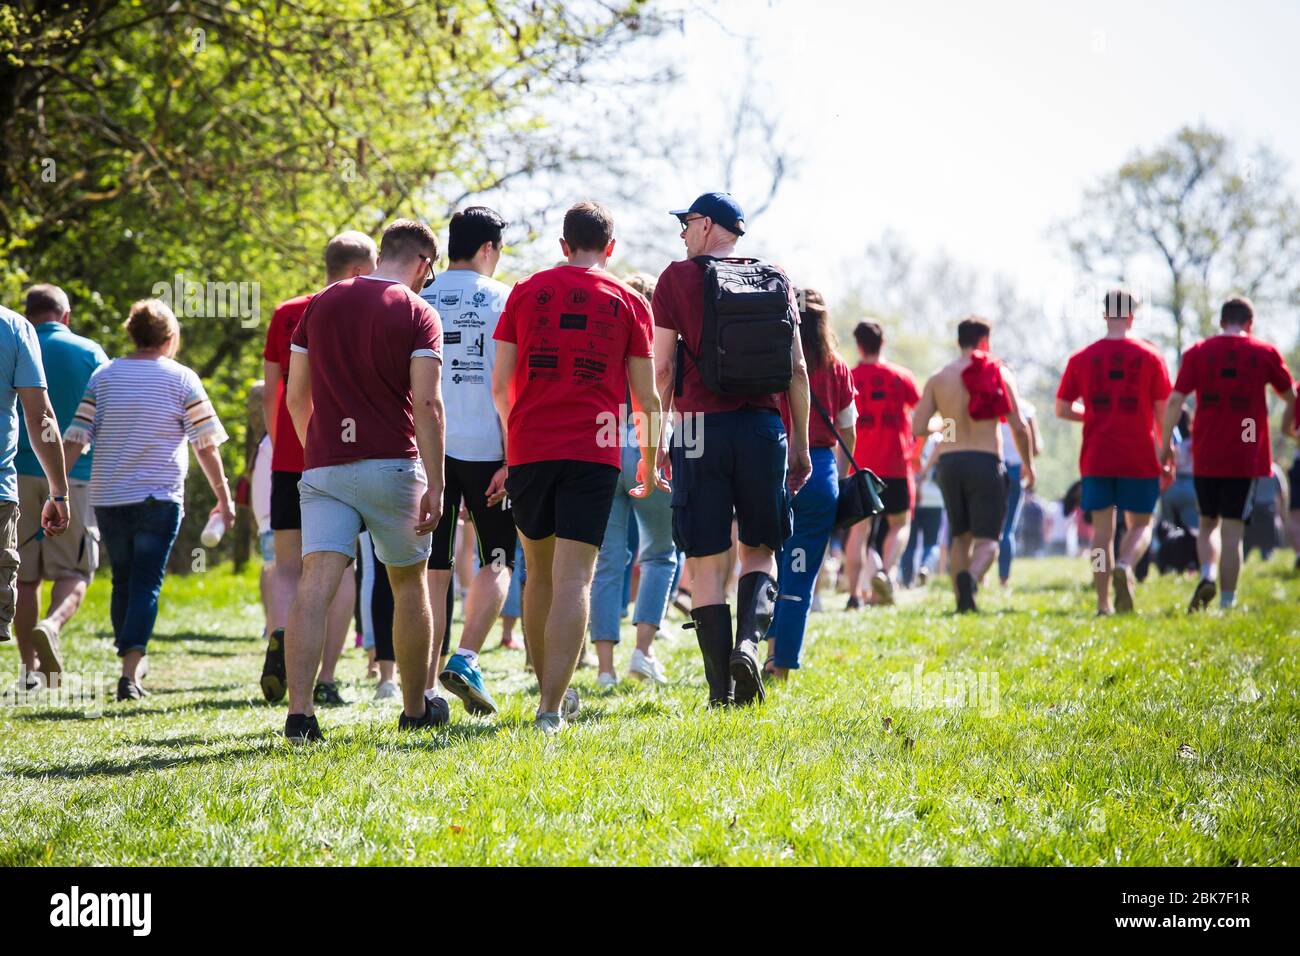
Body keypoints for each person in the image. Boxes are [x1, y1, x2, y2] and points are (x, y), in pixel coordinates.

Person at [492, 201, 663, 733]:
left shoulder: (523, 292)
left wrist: (515, 431)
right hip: (594, 454)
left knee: (536, 575)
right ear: (610, 249)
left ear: (562, 245)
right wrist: (650, 462)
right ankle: (549, 708)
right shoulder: (630, 303)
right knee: (575, 579)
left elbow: (499, 384)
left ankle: (551, 697)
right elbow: (648, 399)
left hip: (529, 449)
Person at [281, 218, 446, 742]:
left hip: (325, 463)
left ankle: (301, 715)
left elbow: (293, 397)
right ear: (422, 262)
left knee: (315, 584)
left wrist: (320, 449)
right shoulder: (419, 311)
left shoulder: (321, 302)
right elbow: (428, 403)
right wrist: (437, 483)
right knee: (407, 583)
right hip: (392, 463)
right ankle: (416, 709)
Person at [652, 191, 811, 707]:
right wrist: (801, 446)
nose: (682, 231)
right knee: (760, 550)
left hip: (699, 430)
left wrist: (658, 439)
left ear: (710, 226)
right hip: (764, 429)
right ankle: (749, 643)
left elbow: (662, 369)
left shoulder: (676, 278)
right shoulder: (777, 278)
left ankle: (720, 690)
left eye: (687, 222)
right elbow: (799, 371)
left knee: (703, 559)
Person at [63, 299, 233, 700]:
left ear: (131, 334)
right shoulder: (182, 379)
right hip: (159, 499)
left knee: (123, 580)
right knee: (145, 584)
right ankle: (130, 673)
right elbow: (205, 446)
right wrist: (223, 498)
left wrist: (58, 489)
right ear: (170, 338)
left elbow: (76, 436)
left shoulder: (104, 377)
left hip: (109, 498)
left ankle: (128, 662)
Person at [259, 231, 376, 706]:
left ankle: (283, 633)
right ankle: (325, 676)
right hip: (338, 456)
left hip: (289, 457)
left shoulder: (287, 312)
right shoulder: (361, 309)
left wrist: (282, 442)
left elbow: (273, 391)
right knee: (340, 568)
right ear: (356, 272)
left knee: (288, 567)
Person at [418, 207, 519, 716]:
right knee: (498, 558)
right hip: (487, 449)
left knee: (432, 567)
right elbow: (507, 386)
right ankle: (466, 655)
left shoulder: (418, 297)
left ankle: (426, 689)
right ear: (488, 249)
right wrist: (511, 454)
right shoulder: (505, 299)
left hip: (427, 449)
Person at [1163, 296, 1296, 612]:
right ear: (1249, 324)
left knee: (1207, 524)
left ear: (1222, 322)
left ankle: (1207, 573)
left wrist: (1164, 443)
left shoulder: (1197, 353)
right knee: (1232, 530)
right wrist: (1288, 427)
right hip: (1245, 455)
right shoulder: (1264, 353)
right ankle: (1227, 601)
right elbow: (1291, 395)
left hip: (1206, 452)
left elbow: (1174, 401)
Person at [1055, 290, 1172, 615]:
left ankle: (1103, 603)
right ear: (1133, 315)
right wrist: (1167, 452)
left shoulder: (1082, 358)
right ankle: (1125, 563)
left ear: (1104, 315)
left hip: (1097, 455)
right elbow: (1163, 413)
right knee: (1141, 525)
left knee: (1100, 534)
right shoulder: (1151, 357)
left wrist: (1091, 413)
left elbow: (1062, 408)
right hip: (1139, 454)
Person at [12, 285, 107, 684]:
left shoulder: (14, 342)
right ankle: (51, 625)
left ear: (28, 313)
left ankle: (30, 670)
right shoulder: (90, 353)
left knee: (25, 575)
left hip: (14, 473)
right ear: (65, 316)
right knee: (75, 568)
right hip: (73, 479)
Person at [587, 272, 676, 688]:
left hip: (604, 444)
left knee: (607, 560)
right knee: (659, 554)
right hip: (647, 446)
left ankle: (605, 669)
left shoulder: (606, 338)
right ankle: (643, 652)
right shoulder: (660, 345)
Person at [912, 317, 1034, 613]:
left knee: (959, 536)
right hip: (986, 460)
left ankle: (961, 604)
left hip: (950, 463)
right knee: (988, 540)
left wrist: (949, 421)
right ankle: (971, 581)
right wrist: (1029, 464)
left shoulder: (939, 377)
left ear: (959, 342)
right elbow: (1018, 425)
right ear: (985, 342)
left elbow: (918, 427)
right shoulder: (998, 373)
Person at [765, 288, 855, 678]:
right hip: (819, 474)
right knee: (799, 578)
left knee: (768, 567)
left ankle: (761, 652)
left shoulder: (770, 360)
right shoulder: (837, 367)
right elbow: (849, 430)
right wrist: (838, 473)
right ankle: (781, 664)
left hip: (774, 468)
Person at [844, 321, 919, 608]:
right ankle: (885, 575)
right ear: (882, 342)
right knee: (899, 524)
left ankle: (853, 595)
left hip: (860, 465)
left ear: (859, 345)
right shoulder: (901, 376)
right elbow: (926, 414)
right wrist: (919, 449)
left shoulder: (850, 376)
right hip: (896, 464)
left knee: (859, 531)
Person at [997, 398, 1040, 586]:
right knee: (1008, 529)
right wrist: (1029, 465)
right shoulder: (1025, 408)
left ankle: (978, 575)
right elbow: (1036, 447)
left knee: (987, 528)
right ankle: (1003, 579)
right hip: (1016, 470)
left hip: (991, 468)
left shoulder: (987, 403)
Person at [900, 430, 945, 587]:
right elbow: (946, 444)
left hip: (912, 497)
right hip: (935, 498)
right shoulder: (939, 438)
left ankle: (907, 582)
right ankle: (925, 567)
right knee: (931, 543)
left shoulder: (910, 438)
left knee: (909, 544)